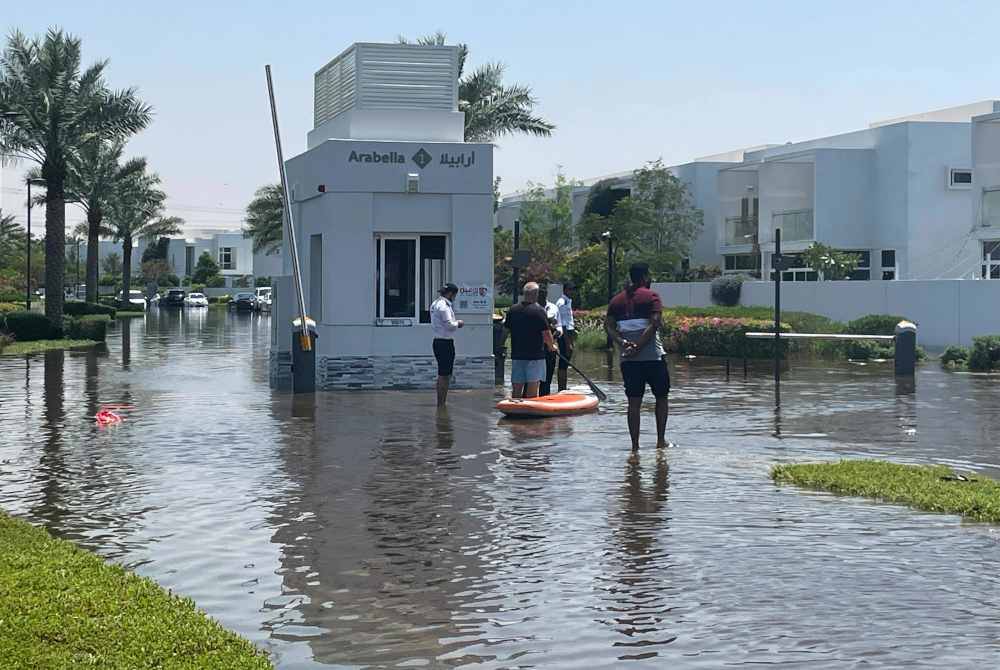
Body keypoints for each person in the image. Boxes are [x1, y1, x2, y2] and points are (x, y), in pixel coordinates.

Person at [605, 263, 670, 451]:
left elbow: (608, 326)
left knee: (633, 402)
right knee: (662, 397)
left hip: (629, 360)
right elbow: (655, 323)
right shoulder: (652, 296)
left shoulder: (616, 301)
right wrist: (639, 346)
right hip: (652, 358)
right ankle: (660, 441)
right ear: (645, 277)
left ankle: (635, 446)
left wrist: (623, 343)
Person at [504, 282, 557, 399]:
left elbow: (505, 331)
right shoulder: (539, 311)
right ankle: (530, 413)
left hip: (517, 355)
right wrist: (551, 346)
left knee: (517, 388)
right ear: (536, 294)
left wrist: (501, 345)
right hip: (535, 356)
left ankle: (515, 410)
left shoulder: (513, 310)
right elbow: (546, 333)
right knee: (533, 387)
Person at [430, 282, 463, 406]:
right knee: (445, 375)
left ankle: (441, 402)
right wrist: (458, 323)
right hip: (445, 342)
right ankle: (442, 403)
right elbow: (449, 325)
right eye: (454, 295)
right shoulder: (444, 306)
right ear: (451, 294)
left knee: (442, 374)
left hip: (437, 341)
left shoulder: (435, 303)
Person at [537, 284, 563, 396]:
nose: (542, 297)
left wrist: (558, 332)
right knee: (533, 378)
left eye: (544, 294)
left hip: (550, 346)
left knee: (547, 378)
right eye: (540, 294)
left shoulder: (553, 307)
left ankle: (545, 397)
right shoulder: (533, 308)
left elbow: (559, 325)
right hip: (536, 347)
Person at [555, 281, 576, 391]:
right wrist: (568, 343)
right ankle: (561, 388)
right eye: (570, 289)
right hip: (564, 336)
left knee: (566, 363)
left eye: (573, 289)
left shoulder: (568, 301)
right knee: (563, 363)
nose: (572, 292)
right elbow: (563, 324)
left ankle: (563, 387)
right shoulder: (562, 302)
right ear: (565, 290)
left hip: (569, 334)